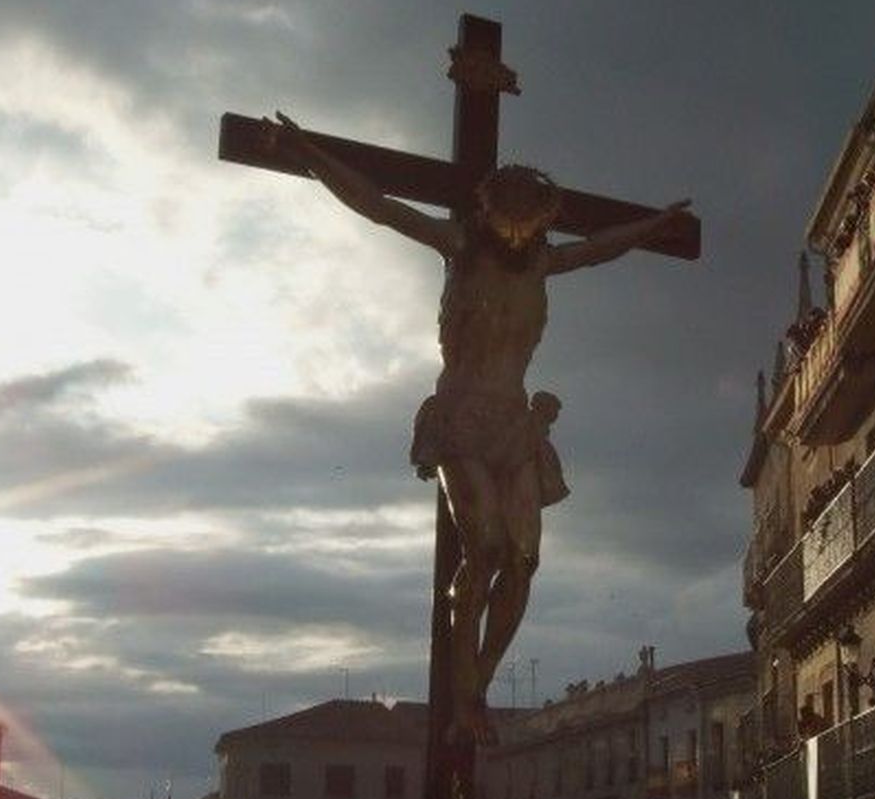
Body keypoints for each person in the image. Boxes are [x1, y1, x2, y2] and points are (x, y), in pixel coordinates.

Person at [267, 114, 692, 742]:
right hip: (462, 417)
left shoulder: (543, 263)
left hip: (514, 426)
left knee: (523, 562)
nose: (518, 230)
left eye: (530, 219)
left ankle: (478, 687)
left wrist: (655, 225)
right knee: (485, 547)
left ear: (542, 217)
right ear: (489, 210)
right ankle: (464, 694)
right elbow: (379, 206)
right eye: (508, 217)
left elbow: (603, 247)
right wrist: (310, 152)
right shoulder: (460, 247)